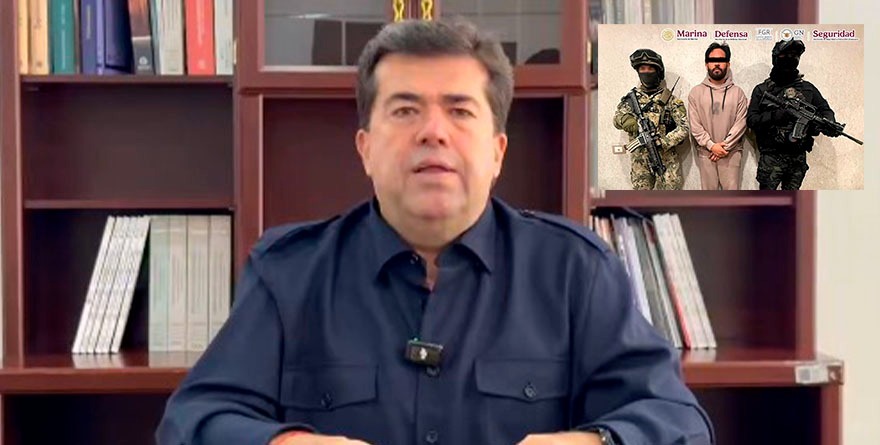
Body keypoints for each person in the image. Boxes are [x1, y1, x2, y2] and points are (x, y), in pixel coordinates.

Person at [156, 19, 713, 445]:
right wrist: (282, 443)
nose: (433, 132)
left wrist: (597, 442)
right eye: (404, 110)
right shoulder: (288, 272)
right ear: (365, 148)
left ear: (497, 152)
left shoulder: (575, 271)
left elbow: (678, 422)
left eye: (460, 111)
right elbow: (192, 421)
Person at [746, 39, 840, 190]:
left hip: (797, 158)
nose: (790, 59)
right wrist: (775, 116)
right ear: (775, 58)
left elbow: (825, 110)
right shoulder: (763, 90)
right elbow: (751, 120)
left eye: (794, 56)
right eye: (785, 55)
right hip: (772, 157)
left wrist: (829, 123)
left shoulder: (808, 89)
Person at [612, 48, 689, 190]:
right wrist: (626, 121)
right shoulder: (631, 99)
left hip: (666, 160)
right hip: (640, 162)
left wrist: (663, 142)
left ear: (658, 71)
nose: (646, 72)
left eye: (650, 68)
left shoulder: (671, 100)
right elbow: (617, 119)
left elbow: (684, 127)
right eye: (642, 69)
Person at [687, 42, 749, 190]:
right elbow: (695, 125)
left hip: (731, 153)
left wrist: (723, 147)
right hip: (706, 153)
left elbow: (741, 123)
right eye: (712, 60)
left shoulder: (738, 93)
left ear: (728, 64)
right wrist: (711, 146)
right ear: (706, 64)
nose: (716, 64)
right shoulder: (695, 93)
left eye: (721, 60)